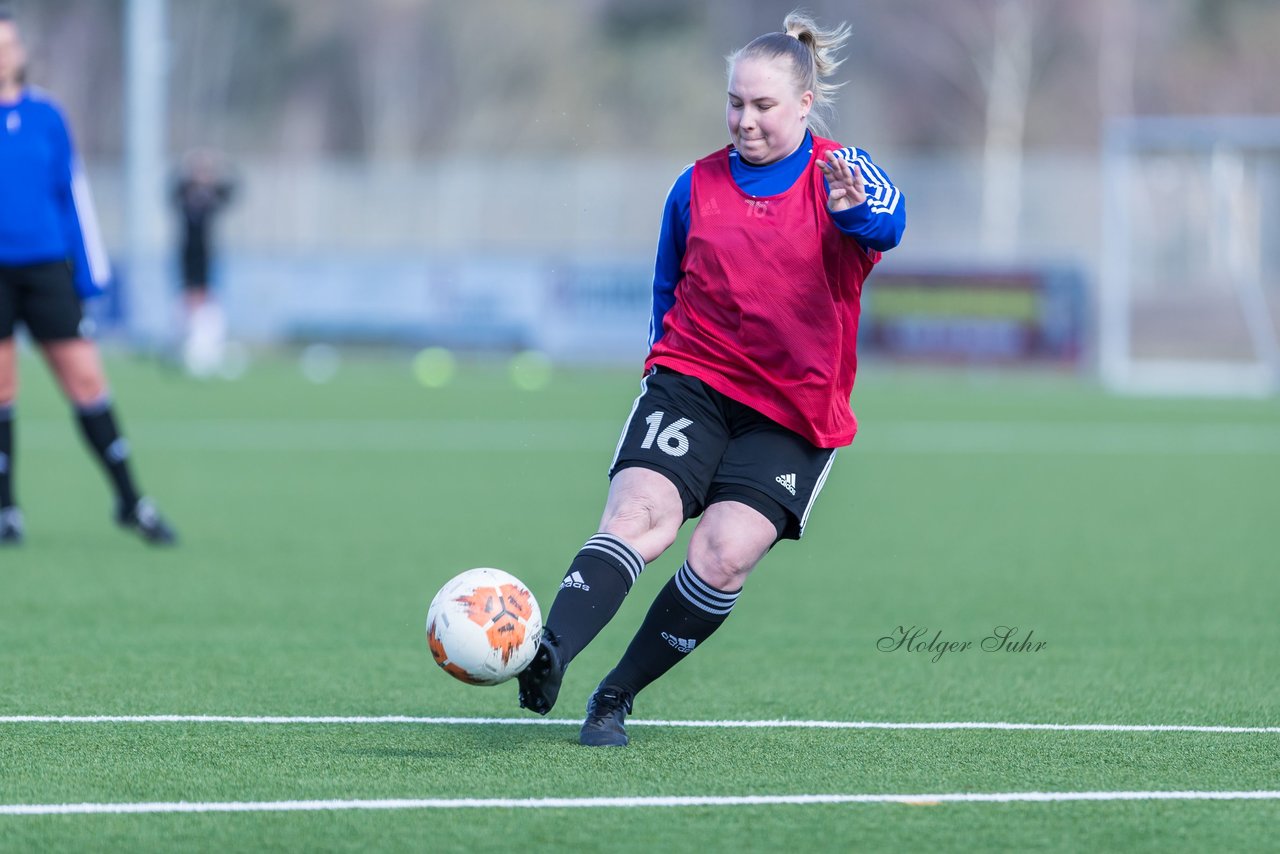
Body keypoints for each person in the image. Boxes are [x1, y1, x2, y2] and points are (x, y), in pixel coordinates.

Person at [515, 11, 905, 746]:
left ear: (802, 104)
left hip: (792, 411)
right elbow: (668, 289)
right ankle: (551, 650)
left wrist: (855, 209)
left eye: (762, 106)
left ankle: (615, 696)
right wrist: (664, 366)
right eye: (735, 103)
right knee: (637, 519)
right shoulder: (696, 183)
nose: (745, 120)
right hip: (692, 381)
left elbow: (888, 223)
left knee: (723, 554)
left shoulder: (843, 173)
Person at [0, 9, 176, 546]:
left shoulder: (47, 116)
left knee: (86, 381)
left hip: (48, 268)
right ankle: (7, 510)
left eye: (7, 43)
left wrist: (90, 275)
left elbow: (72, 195)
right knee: (3, 389)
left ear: (22, 52)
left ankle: (130, 500)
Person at [172, 148, 234, 377]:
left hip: (208, 254)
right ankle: (187, 345)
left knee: (208, 300)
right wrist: (189, 171)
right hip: (187, 253)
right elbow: (172, 190)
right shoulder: (185, 192)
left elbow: (231, 191)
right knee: (187, 300)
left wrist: (217, 170)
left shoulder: (212, 194)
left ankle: (207, 347)